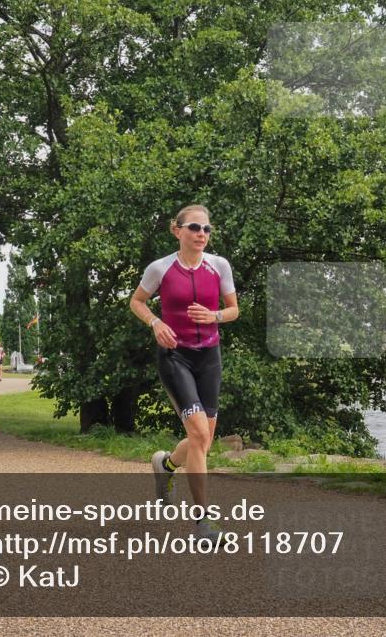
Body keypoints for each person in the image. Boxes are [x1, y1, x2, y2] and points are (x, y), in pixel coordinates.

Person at [130, 205, 238, 543]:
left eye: (206, 229)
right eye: (194, 227)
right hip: (175, 356)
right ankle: (203, 524)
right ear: (177, 230)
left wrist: (214, 316)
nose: (201, 234)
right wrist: (155, 322)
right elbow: (137, 301)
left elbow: (234, 310)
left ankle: (166, 466)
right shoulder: (160, 268)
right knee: (199, 434)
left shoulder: (219, 266)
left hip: (209, 357)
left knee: (202, 440)